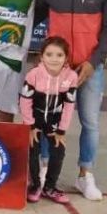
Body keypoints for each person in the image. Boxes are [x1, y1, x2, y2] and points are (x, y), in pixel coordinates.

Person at [33, 0, 107, 201]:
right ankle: (44, 171)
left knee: (90, 122)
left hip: (89, 68)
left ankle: (86, 175)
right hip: (55, 69)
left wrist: (94, 63)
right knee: (48, 121)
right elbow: (32, 18)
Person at [20, 36, 78, 204]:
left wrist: (61, 130)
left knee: (58, 150)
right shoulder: (33, 75)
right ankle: (35, 186)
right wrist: (30, 125)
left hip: (54, 121)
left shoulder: (71, 77)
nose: (54, 59)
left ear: (66, 58)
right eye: (49, 54)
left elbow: (69, 105)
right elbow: (25, 101)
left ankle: (50, 187)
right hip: (34, 119)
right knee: (32, 150)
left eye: (59, 55)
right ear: (41, 56)